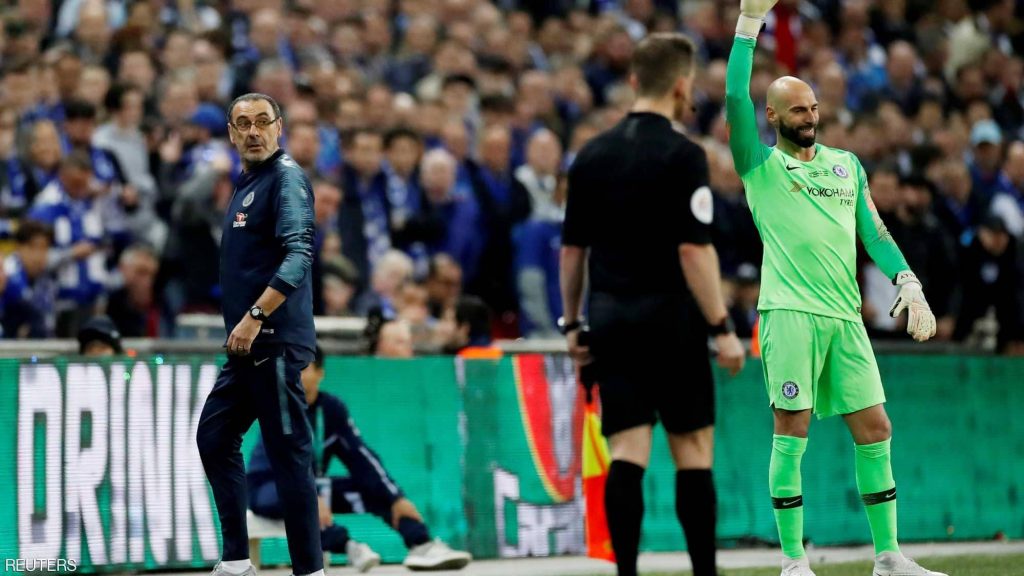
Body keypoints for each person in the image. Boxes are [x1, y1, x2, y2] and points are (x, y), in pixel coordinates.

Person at [725, 2, 944, 575]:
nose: (810, 116)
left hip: (846, 318)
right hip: (789, 313)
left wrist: (907, 279)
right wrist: (748, 28)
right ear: (773, 115)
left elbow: (874, 231)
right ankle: (793, 562)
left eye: (814, 107)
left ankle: (888, 557)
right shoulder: (760, 167)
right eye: (798, 109)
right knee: (791, 430)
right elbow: (732, 99)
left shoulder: (847, 165)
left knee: (876, 428)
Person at [560, 32, 746, 576]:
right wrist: (722, 327)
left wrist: (572, 322)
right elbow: (694, 250)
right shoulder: (685, 155)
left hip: (612, 319)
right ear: (682, 86)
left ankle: (626, 574)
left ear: (634, 80)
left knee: (627, 449)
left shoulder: (591, 154)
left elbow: (572, 251)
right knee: (693, 450)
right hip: (673, 320)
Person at [195, 93, 323, 576]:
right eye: (243, 124)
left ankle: (310, 571)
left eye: (262, 122)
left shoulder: (285, 178)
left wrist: (254, 314)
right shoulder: (250, 182)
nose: (253, 131)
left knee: (289, 457)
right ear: (231, 134)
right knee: (215, 436)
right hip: (247, 346)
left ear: (279, 127)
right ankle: (235, 561)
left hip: (273, 341)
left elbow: (299, 254)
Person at [247, 346, 471, 572]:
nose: (295, 374)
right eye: (290, 368)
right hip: (267, 488)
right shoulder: (279, 408)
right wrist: (309, 495)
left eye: (303, 368)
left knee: (372, 488)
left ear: (320, 373)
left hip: (312, 487)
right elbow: (283, 465)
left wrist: (395, 496)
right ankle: (348, 546)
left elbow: (360, 456)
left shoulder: (331, 409)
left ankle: (421, 544)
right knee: (300, 498)